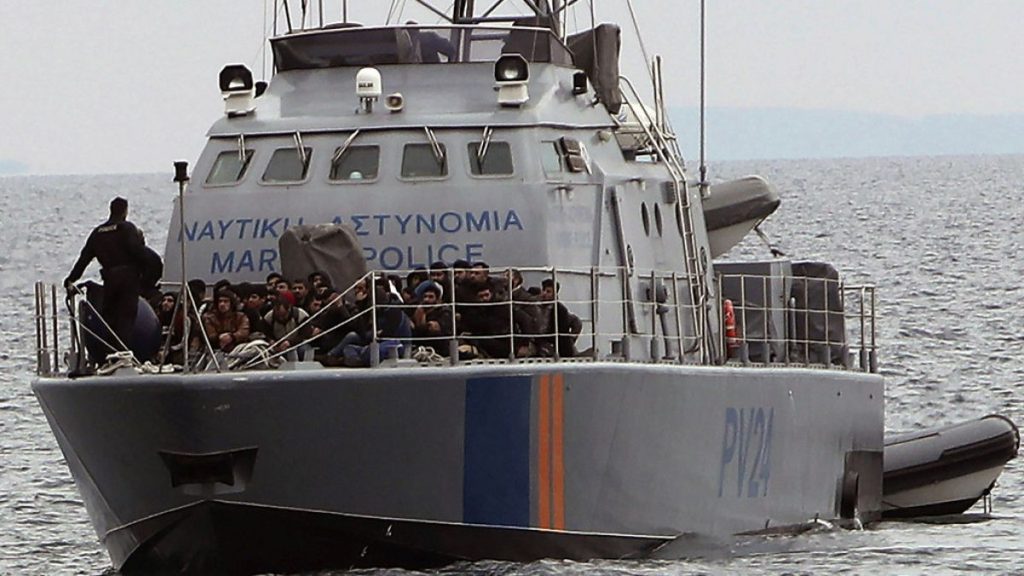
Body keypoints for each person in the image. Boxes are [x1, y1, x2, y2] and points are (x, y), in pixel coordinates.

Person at [63, 196, 153, 352]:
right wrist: (149, 270)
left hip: (110, 281)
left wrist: (71, 279)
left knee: (110, 319)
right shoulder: (127, 228)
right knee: (126, 317)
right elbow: (137, 251)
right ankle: (123, 354)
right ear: (125, 211)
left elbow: (84, 259)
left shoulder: (97, 233)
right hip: (128, 280)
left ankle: (110, 353)